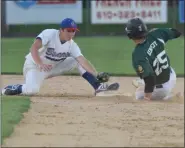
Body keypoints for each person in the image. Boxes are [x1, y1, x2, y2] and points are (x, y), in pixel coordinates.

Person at [2, 18, 119, 96]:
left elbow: (82, 60)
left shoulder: (72, 45)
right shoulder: (49, 34)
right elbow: (34, 48)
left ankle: (98, 87)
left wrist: (96, 74)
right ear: (61, 30)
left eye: (74, 31)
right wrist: (40, 63)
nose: (72, 33)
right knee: (32, 90)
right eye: (69, 30)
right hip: (34, 66)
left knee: (75, 60)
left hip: (52, 68)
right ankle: (13, 88)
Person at [125, 17, 181, 101]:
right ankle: (144, 84)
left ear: (130, 35)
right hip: (171, 75)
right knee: (145, 78)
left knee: (138, 95)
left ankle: (170, 98)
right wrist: (159, 31)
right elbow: (177, 32)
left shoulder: (138, 54)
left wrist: (147, 97)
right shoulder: (156, 33)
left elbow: (150, 78)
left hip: (162, 88)